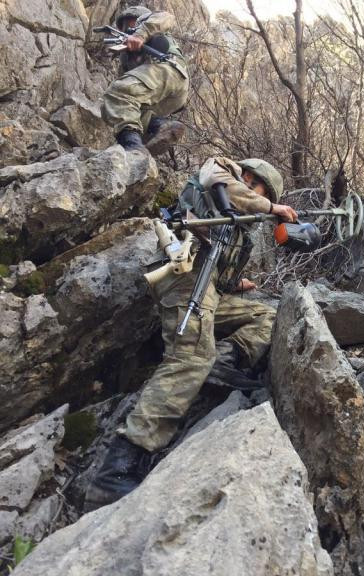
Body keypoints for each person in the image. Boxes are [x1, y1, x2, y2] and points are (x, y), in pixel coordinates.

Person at [85, 158, 298, 508]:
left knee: (269, 314)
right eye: (261, 191)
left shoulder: (238, 226)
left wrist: (237, 282)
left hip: (210, 289)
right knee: (190, 356)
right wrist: (272, 206)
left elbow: (223, 273)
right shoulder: (218, 173)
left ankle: (223, 361)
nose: (260, 201)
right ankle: (117, 469)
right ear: (250, 179)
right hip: (184, 281)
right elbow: (227, 189)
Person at [101, 6, 189, 155]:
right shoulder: (126, 57)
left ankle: (132, 147)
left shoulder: (153, 23)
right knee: (120, 108)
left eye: (132, 23)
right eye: (125, 25)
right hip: (168, 96)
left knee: (120, 92)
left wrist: (141, 34)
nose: (129, 28)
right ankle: (161, 127)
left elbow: (166, 17)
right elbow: (127, 95)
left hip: (168, 70)